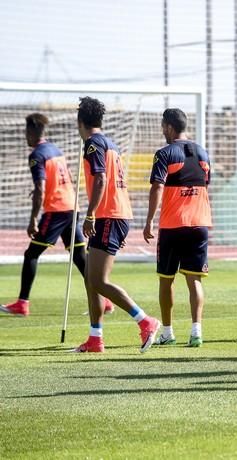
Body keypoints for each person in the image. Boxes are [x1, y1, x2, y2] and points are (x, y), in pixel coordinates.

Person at [1, 113, 113, 316]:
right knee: (79, 255)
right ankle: (104, 301)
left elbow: (42, 188)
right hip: (72, 206)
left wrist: (33, 219)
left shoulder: (37, 155)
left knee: (31, 254)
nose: (25, 136)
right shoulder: (55, 150)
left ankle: (22, 303)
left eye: (26, 132)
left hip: (57, 210)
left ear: (32, 132)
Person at [73, 96, 160, 353]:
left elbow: (100, 179)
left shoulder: (92, 144)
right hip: (114, 214)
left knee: (98, 280)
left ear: (81, 122)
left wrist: (90, 215)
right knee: (91, 279)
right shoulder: (110, 143)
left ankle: (145, 321)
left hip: (108, 215)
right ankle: (95, 338)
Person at [144, 108, 211, 347]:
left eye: (163, 126)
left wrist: (149, 219)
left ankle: (168, 333)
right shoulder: (203, 152)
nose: (162, 130)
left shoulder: (164, 153)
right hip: (200, 222)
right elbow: (205, 184)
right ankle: (196, 332)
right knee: (195, 280)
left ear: (169, 127)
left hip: (173, 224)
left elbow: (157, 187)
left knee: (166, 280)